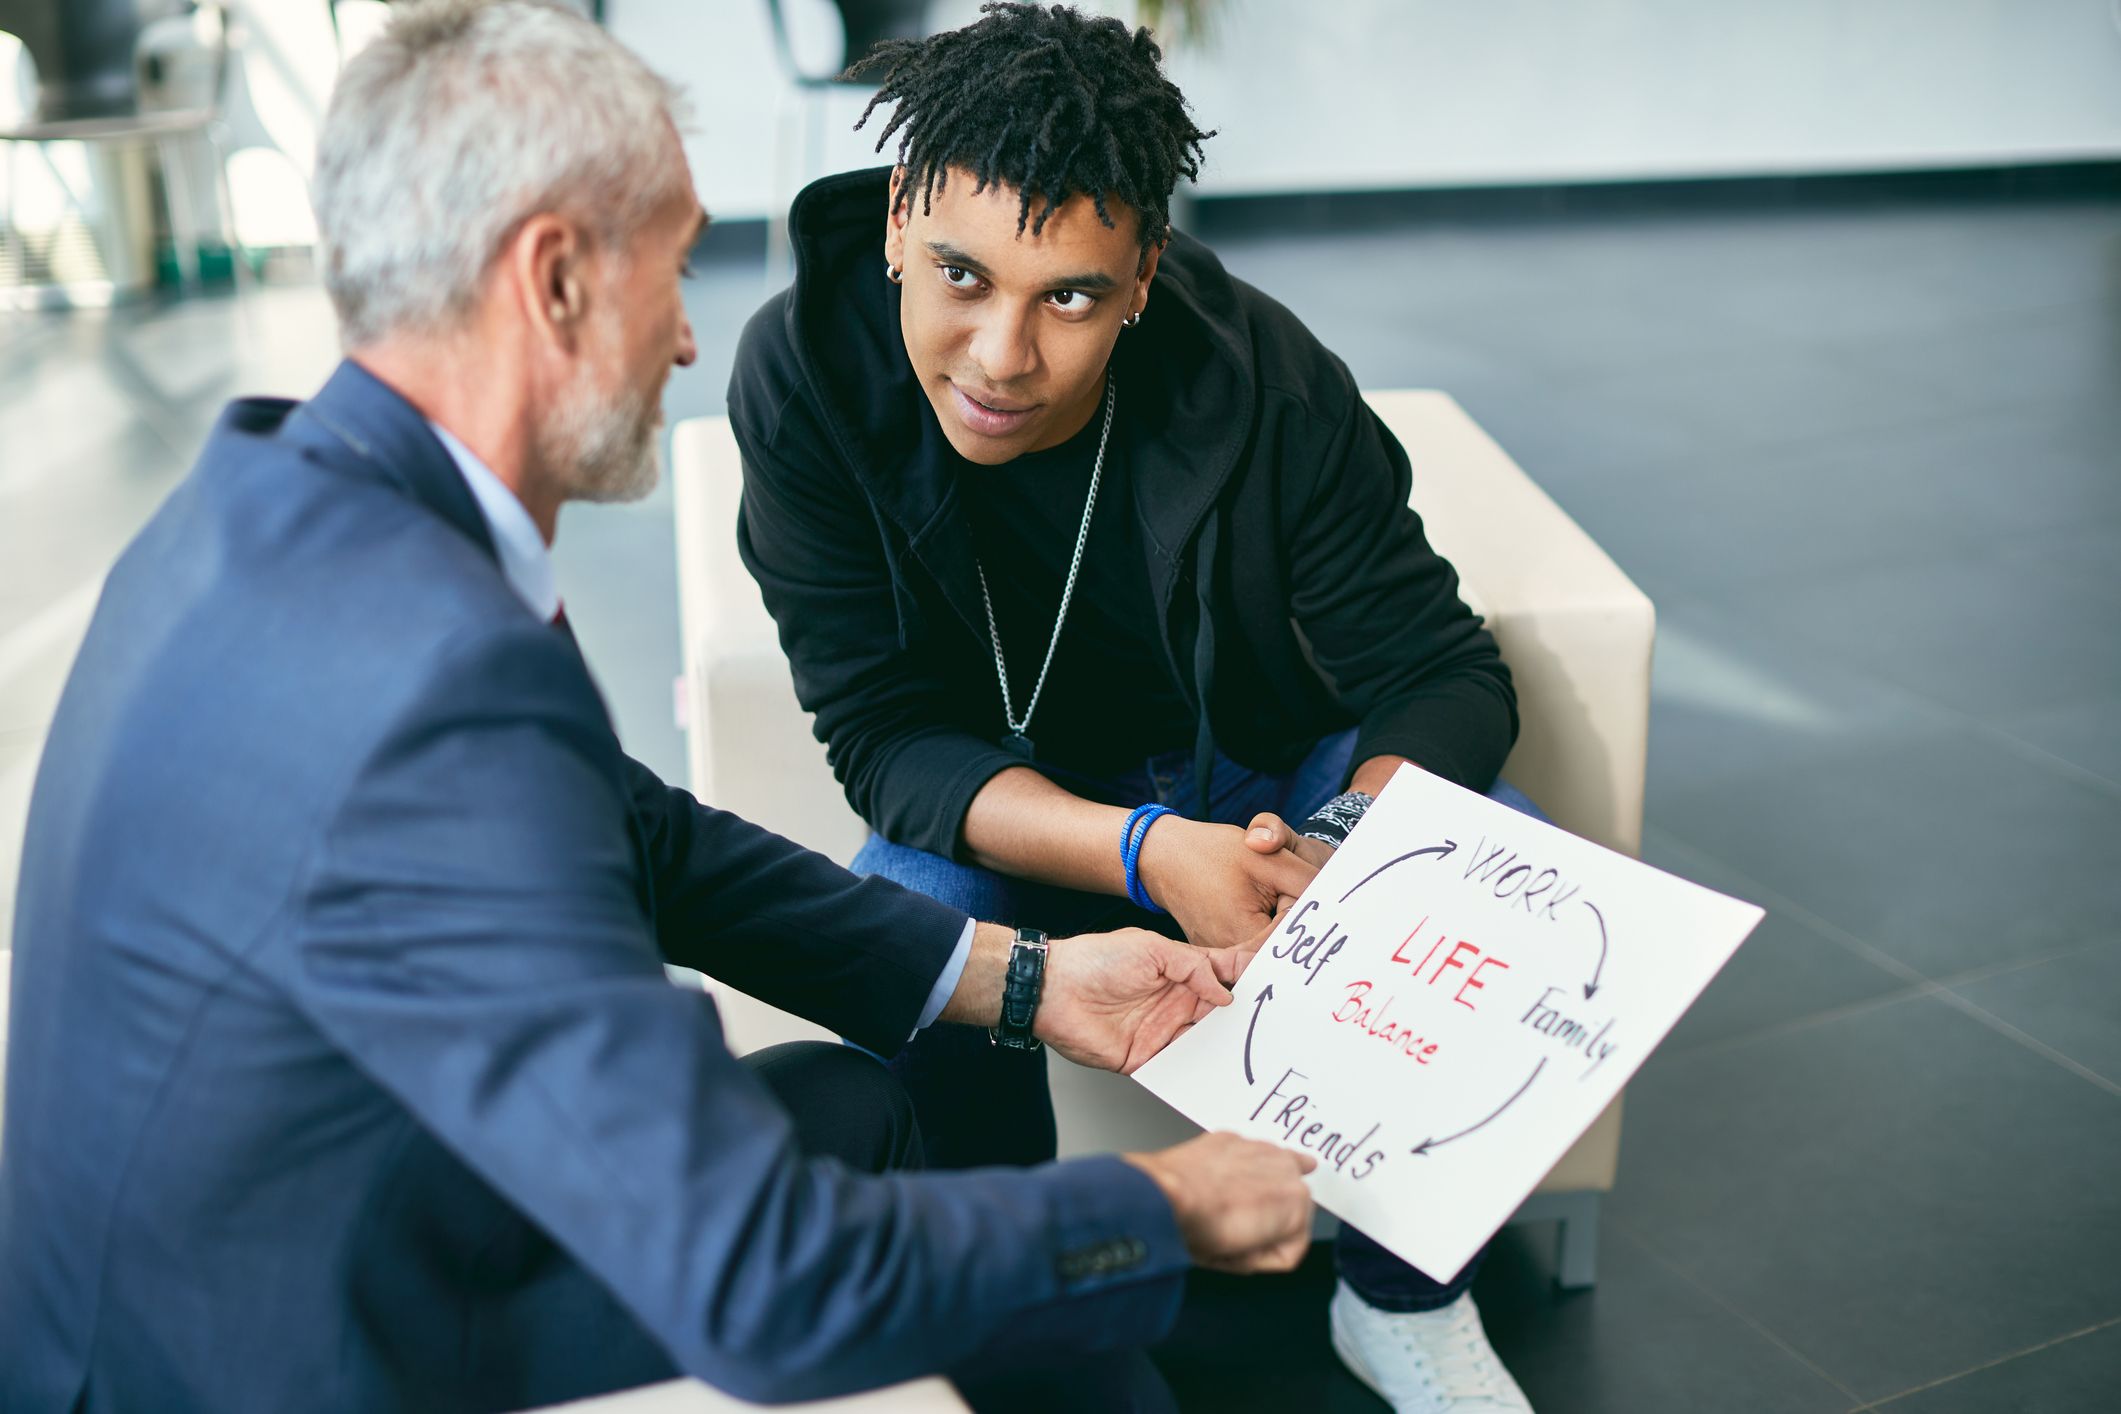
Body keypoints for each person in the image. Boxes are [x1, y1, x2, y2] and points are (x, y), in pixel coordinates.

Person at [0, 4, 1320, 1411]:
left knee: (854, 1107)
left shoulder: (272, 491)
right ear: (556, 282)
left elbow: (639, 837)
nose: (689, 341)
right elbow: (757, 1278)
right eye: (674, 268)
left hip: (290, 1209)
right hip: (273, 1352)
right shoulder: (437, 688)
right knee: (1017, 1291)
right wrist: (1156, 1203)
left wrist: (1030, 981)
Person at [729, 4, 1543, 1410]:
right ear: (897, 222)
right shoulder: (804, 372)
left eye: (1069, 299)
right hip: (1025, 815)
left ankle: (1401, 1296)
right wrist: (1145, 851)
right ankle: (1011, 1302)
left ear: (1142, 280)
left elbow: (1443, 671)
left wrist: (1334, 851)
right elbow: (883, 734)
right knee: (908, 902)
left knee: (1495, 852)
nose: (1000, 356)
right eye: (960, 275)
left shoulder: (1263, 379)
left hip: (1261, 788)